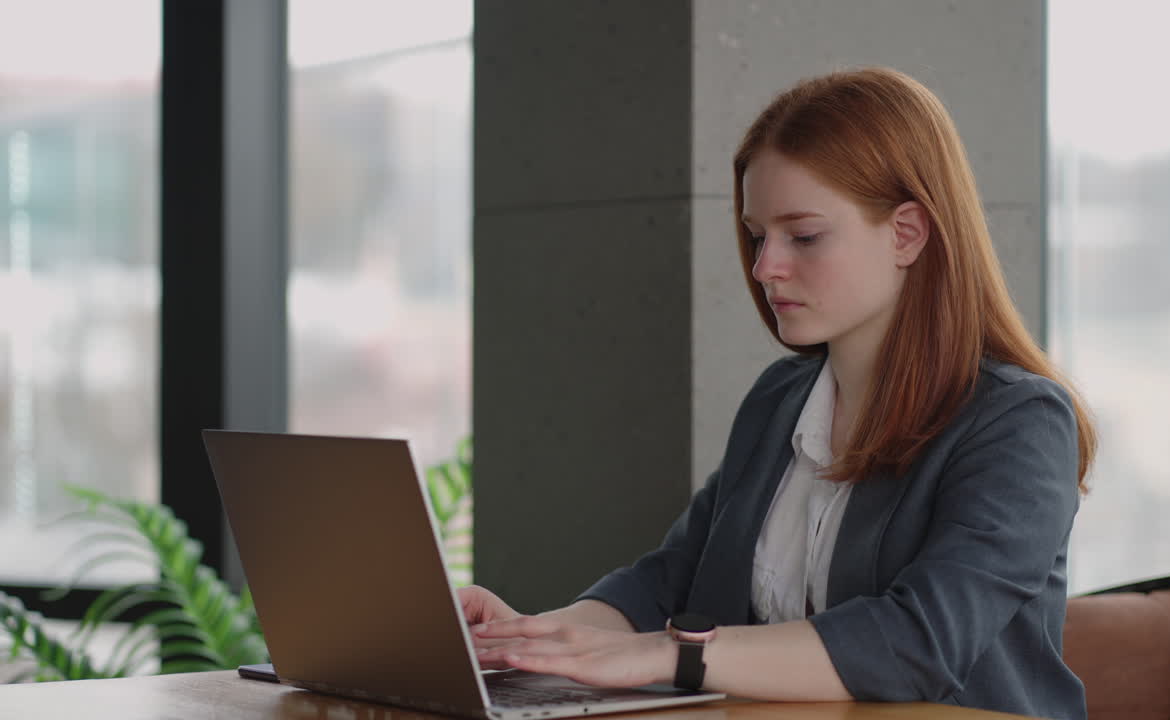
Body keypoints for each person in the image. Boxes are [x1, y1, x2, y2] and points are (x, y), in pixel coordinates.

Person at [461, 67, 1096, 720]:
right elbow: (672, 578)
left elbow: (919, 642)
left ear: (907, 233)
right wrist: (528, 641)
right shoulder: (781, 398)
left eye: (805, 235)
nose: (765, 268)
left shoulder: (1019, 423)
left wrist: (673, 655)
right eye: (759, 235)